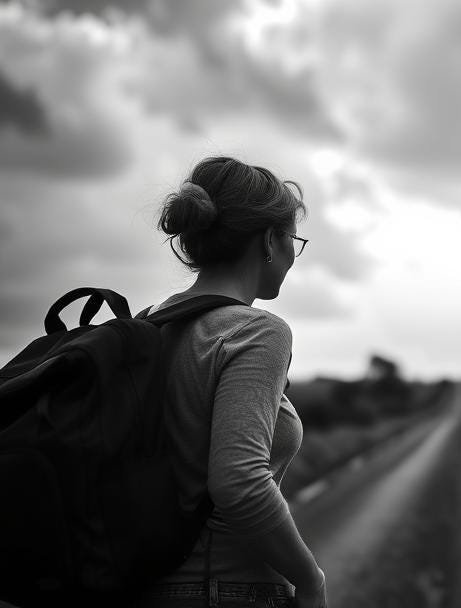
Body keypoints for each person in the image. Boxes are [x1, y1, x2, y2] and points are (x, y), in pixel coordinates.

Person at [134, 157, 327, 608]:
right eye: (292, 242)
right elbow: (239, 481)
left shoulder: (148, 327)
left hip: (141, 588)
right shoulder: (256, 331)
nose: (290, 258)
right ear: (267, 242)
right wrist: (310, 578)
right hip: (225, 590)